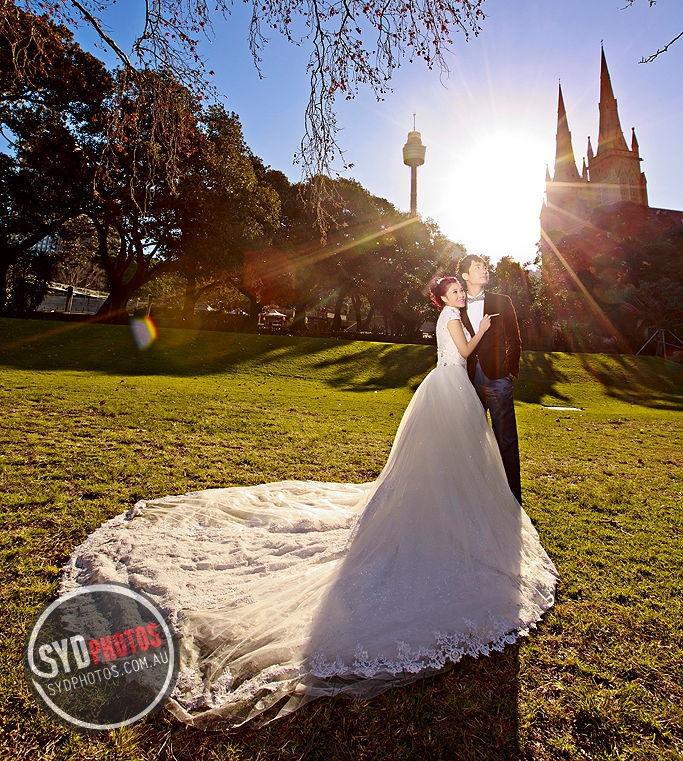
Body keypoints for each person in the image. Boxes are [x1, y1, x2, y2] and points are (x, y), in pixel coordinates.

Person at [62, 275, 556, 729]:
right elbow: (465, 351)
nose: (458, 295)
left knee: (445, 457)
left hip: (451, 389)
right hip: (448, 388)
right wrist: (481, 329)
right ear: (442, 298)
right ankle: (436, 510)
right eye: (452, 291)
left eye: (459, 291)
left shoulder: (454, 313)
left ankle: (446, 505)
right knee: (439, 456)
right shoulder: (452, 318)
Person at [457, 255, 524, 504]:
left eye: (485, 267)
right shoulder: (457, 305)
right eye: (478, 267)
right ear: (465, 276)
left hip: (498, 378)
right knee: (470, 438)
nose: (485, 270)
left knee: (506, 439)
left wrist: (507, 370)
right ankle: (474, 498)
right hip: (467, 380)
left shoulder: (502, 301)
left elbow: (514, 340)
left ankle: (512, 501)